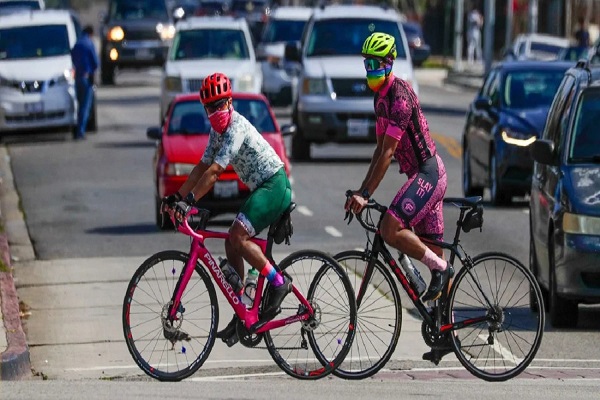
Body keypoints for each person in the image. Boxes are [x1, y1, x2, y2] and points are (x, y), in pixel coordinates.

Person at [164, 72, 293, 347]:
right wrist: (176, 196)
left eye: (220, 104)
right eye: (210, 107)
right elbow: (200, 166)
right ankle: (244, 308)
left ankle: (279, 282)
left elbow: (214, 172)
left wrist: (191, 202)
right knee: (231, 246)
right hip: (261, 188)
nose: (216, 111)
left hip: (273, 184)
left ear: (230, 101)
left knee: (237, 236)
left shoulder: (236, 127)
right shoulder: (216, 131)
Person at [346, 32, 452, 306]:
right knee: (433, 252)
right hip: (420, 176)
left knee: (390, 227)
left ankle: (441, 270)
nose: (370, 71)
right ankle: (444, 332)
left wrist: (367, 193)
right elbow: (379, 150)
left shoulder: (400, 97)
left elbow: (390, 153)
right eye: (366, 65)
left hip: (429, 173)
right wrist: (361, 189)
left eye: (375, 65)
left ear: (390, 62)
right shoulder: (379, 99)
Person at [70, 25, 98, 140]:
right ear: (91, 33)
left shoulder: (77, 44)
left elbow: (72, 58)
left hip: (77, 78)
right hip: (86, 77)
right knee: (85, 107)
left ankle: (77, 128)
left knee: (79, 104)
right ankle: (81, 131)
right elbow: (95, 62)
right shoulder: (89, 44)